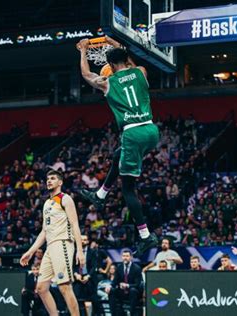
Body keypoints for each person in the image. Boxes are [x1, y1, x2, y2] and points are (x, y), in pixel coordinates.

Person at [77, 37, 160, 257]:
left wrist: (83, 50)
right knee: (117, 155)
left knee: (127, 189)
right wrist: (116, 46)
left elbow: (86, 74)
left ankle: (145, 236)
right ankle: (101, 195)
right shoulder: (140, 71)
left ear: (111, 66)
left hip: (133, 133)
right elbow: (129, 64)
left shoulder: (108, 82)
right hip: (151, 130)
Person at [20, 170, 85, 316]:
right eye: (48, 179)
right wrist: (30, 252)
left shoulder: (65, 198)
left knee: (64, 287)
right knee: (42, 288)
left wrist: (80, 251)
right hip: (50, 247)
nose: (49, 181)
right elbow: (44, 232)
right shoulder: (47, 203)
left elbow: (75, 225)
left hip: (63, 243)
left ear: (60, 182)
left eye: (53, 178)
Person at [106, 250, 143, 316]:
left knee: (133, 291)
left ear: (131, 257)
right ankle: (114, 314)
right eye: (123, 256)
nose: (125, 258)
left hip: (133, 292)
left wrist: (127, 285)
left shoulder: (137, 268)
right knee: (111, 291)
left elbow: (137, 284)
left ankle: (132, 313)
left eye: (127, 256)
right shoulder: (119, 267)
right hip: (122, 291)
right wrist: (109, 286)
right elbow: (115, 281)